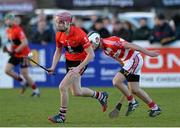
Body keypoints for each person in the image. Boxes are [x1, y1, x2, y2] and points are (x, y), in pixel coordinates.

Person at [47, 12, 108, 123]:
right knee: (77, 92)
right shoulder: (59, 34)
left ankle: (62, 116)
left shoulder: (80, 34)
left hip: (80, 62)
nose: (59, 24)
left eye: (61, 22)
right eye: (57, 22)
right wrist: (53, 66)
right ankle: (101, 96)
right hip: (69, 61)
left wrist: (78, 68)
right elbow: (58, 50)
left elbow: (91, 55)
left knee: (62, 87)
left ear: (69, 23)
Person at [88, 31, 161, 117]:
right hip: (128, 63)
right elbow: (119, 59)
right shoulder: (105, 51)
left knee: (116, 81)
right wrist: (125, 68)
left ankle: (132, 102)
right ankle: (155, 108)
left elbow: (131, 45)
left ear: (96, 40)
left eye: (91, 43)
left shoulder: (111, 43)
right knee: (135, 89)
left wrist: (150, 53)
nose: (90, 47)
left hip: (134, 59)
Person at [3, 13, 40, 97]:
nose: (9, 21)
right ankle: (22, 82)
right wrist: (10, 50)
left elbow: (25, 43)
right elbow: (13, 43)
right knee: (7, 70)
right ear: (5, 21)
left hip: (24, 55)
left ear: (13, 21)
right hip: (16, 54)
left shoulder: (18, 29)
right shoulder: (7, 30)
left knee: (25, 74)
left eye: (10, 19)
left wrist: (14, 51)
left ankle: (36, 91)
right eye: (7, 20)